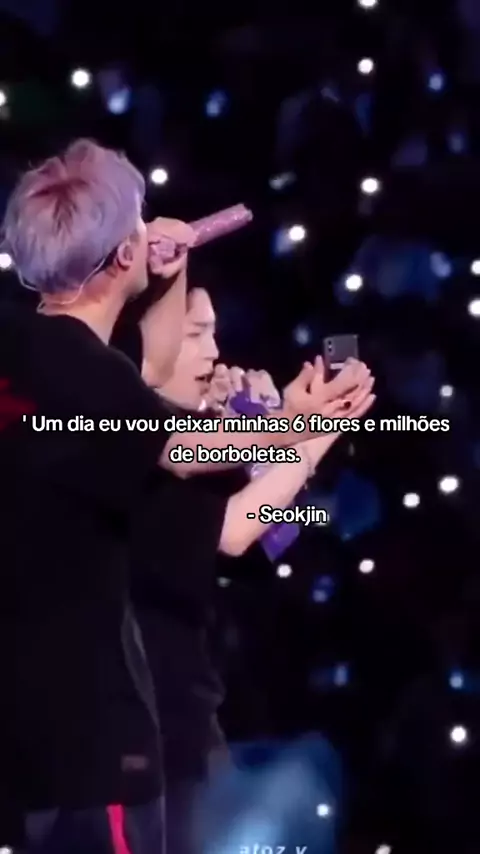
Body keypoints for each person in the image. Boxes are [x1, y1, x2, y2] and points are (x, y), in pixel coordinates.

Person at [0, 138, 373, 852]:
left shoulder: (31, 352)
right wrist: (302, 424)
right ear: (122, 255)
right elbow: (185, 448)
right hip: (91, 744)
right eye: (140, 223)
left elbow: (150, 380)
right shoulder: (92, 380)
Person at [113, 286, 375, 854]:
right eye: (194, 334)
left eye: (213, 332)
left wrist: (274, 427)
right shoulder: (126, 440)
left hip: (185, 710)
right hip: (139, 724)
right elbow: (234, 531)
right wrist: (307, 429)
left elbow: (272, 539)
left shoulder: (189, 438)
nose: (214, 352)